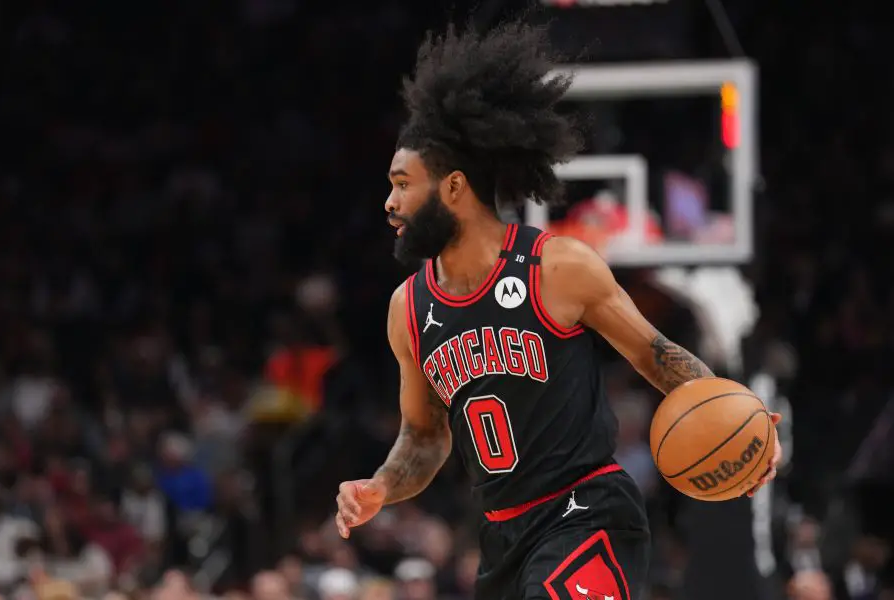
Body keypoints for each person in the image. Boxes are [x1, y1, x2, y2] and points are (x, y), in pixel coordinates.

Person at [335, 21, 782, 600]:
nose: (389, 202)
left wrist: (739, 423)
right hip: (502, 535)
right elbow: (424, 437)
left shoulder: (557, 266)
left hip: (588, 511)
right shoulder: (409, 309)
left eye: (402, 184)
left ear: (453, 188)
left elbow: (656, 356)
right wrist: (381, 486)